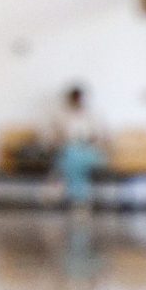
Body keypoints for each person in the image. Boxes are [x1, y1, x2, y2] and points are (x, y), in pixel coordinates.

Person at [50, 83, 106, 211]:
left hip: (90, 152)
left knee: (72, 159)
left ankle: (76, 197)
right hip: (68, 151)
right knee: (71, 156)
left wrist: (89, 140)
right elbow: (54, 137)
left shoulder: (93, 115)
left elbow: (100, 136)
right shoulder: (61, 116)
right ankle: (80, 199)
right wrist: (62, 140)